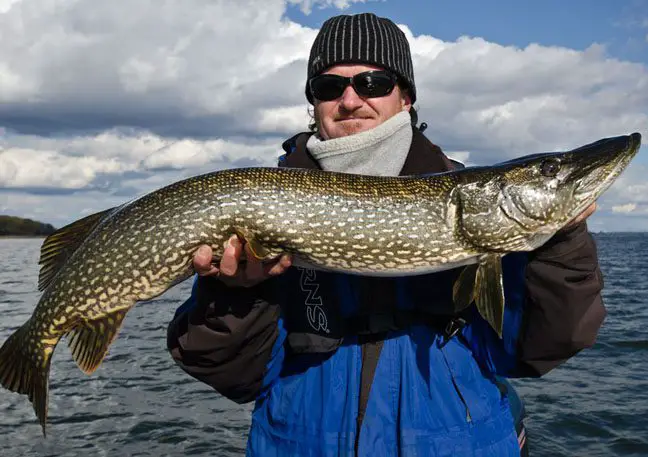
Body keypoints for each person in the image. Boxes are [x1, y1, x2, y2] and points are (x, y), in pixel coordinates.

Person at [167, 13, 604, 457]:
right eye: (329, 87)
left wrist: (561, 244)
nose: (350, 100)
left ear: (406, 98)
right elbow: (231, 375)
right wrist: (237, 295)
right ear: (314, 104)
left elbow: (541, 348)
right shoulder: (269, 199)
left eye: (373, 83)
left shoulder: (466, 201)